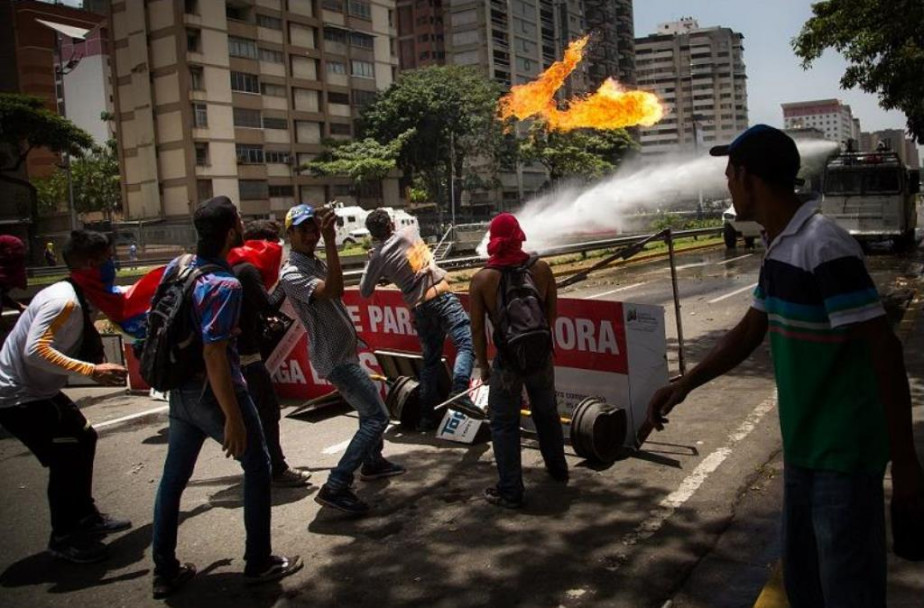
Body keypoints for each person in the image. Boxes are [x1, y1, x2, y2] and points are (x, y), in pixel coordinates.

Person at [645, 125, 924, 608]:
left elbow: (885, 351)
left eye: (730, 174)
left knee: (848, 593)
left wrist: (905, 464)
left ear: (749, 179)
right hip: (804, 454)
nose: (727, 184)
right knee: (805, 589)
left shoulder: (823, 246)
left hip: (842, 459)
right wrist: (685, 383)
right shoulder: (780, 247)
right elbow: (750, 331)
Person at [151, 197, 301, 599]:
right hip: (214, 390)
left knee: (173, 479)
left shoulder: (178, 266)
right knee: (257, 465)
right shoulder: (224, 284)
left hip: (179, 392)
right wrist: (232, 417)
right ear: (233, 230)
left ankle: (164, 570)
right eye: (238, 219)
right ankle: (259, 561)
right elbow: (214, 353)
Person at [0, 230, 131, 563]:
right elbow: (34, 350)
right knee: (66, 455)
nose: (112, 265)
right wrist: (91, 370)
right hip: (17, 395)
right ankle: (64, 536)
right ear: (90, 263)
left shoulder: (76, 293)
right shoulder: (66, 301)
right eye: (107, 259)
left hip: (38, 390)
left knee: (84, 438)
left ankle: (85, 516)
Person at [280, 204, 405, 516]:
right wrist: (332, 242)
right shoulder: (292, 272)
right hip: (334, 358)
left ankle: (373, 462)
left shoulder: (311, 261)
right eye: (304, 230)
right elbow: (334, 290)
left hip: (343, 352)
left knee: (369, 408)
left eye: (313, 229)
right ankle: (336, 484)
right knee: (377, 416)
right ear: (290, 234)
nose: (311, 235)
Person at [468, 213, 567, 509]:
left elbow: (476, 329)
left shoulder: (482, 279)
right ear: (519, 234)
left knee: (504, 424)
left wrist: (484, 367)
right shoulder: (542, 268)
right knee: (547, 413)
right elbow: (551, 314)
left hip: (508, 362)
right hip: (540, 355)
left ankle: (511, 490)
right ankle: (558, 469)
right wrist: (539, 344)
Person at [359, 209, 477, 430]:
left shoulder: (378, 256)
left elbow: (365, 290)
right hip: (441, 296)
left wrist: (373, 261)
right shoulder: (410, 231)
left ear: (373, 234)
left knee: (430, 362)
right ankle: (460, 391)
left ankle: (426, 418)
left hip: (420, 309)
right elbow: (411, 256)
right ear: (391, 224)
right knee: (466, 342)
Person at [231, 219, 311, 487]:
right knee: (266, 413)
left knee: (250, 415)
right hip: (246, 357)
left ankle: (259, 466)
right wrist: (287, 281)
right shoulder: (248, 271)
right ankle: (274, 468)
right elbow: (268, 306)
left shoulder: (232, 264)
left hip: (232, 355)